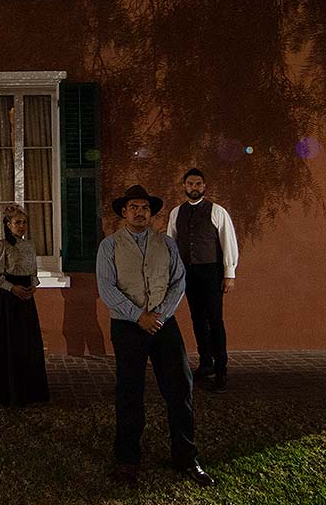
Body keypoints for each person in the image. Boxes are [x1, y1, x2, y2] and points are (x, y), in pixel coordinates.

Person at [96, 184, 215, 487]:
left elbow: (178, 281)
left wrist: (159, 315)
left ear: (151, 213)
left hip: (164, 325)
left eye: (145, 208)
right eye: (134, 207)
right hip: (127, 327)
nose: (140, 212)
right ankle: (126, 461)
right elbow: (107, 288)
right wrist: (139, 316)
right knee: (129, 393)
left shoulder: (167, 244)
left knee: (180, 389)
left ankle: (186, 457)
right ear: (124, 212)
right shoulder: (109, 246)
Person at [166, 168, 239, 393]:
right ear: (184, 186)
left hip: (211, 271)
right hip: (188, 272)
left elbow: (228, 242)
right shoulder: (176, 213)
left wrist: (229, 273)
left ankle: (221, 369)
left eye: (198, 184)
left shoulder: (217, 211)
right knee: (197, 318)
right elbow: (171, 243)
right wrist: (171, 272)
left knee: (215, 320)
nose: (194, 187)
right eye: (190, 183)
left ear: (204, 187)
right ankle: (205, 363)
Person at [0, 204, 51, 405]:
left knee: (27, 343)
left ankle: (30, 391)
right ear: (8, 225)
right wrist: (12, 288)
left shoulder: (29, 245)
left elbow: (33, 273)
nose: (21, 226)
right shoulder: (2, 245)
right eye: (17, 222)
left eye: (24, 222)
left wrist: (33, 286)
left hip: (26, 300)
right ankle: (5, 391)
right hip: (8, 301)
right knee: (8, 343)